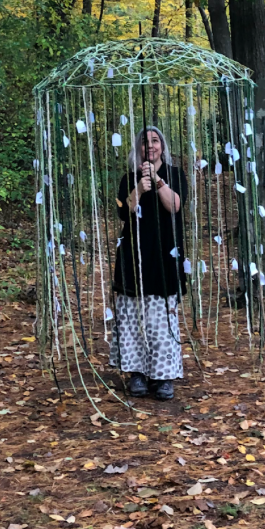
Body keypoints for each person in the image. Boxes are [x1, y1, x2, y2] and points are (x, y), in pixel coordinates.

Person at [109, 127, 188, 400]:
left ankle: (163, 375)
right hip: (134, 255)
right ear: (139, 149)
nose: (151, 146)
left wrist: (159, 182)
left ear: (162, 146)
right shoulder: (128, 179)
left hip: (165, 254)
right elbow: (123, 210)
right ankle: (137, 373)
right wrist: (139, 190)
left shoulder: (175, 175)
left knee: (160, 317)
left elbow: (176, 205)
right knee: (133, 316)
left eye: (155, 141)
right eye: (145, 142)